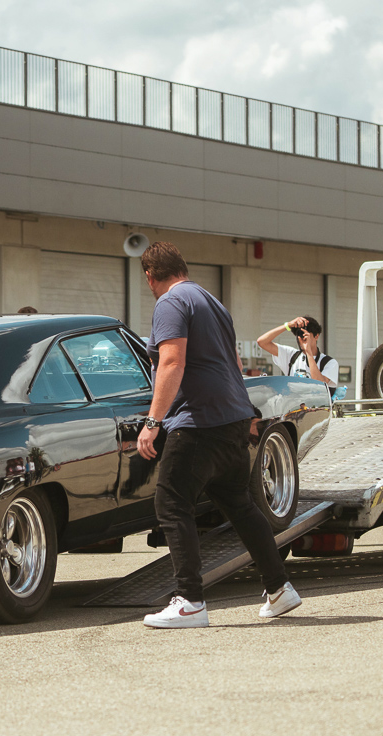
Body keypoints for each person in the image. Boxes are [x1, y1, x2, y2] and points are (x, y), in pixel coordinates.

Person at [135, 242, 301, 628]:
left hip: (199, 422)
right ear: (182, 267)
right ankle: (279, 589)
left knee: (172, 503)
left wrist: (152, 422)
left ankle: (190, 601)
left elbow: (171, 361)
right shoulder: (212, 302)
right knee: (241, 506)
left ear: (149, 276)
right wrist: (246, 415)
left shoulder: (171, 302)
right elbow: (234, 363)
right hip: (232, 419)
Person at [256, 315, 338, 388]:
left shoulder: (329, 362)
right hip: (293, 400)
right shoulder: (291, 356)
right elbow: (262, 342)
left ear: (316, 336)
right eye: (299, 335)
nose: (302, 338)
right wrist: (288, 325)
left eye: (305, 334)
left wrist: (308, 352)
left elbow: (320, 385)